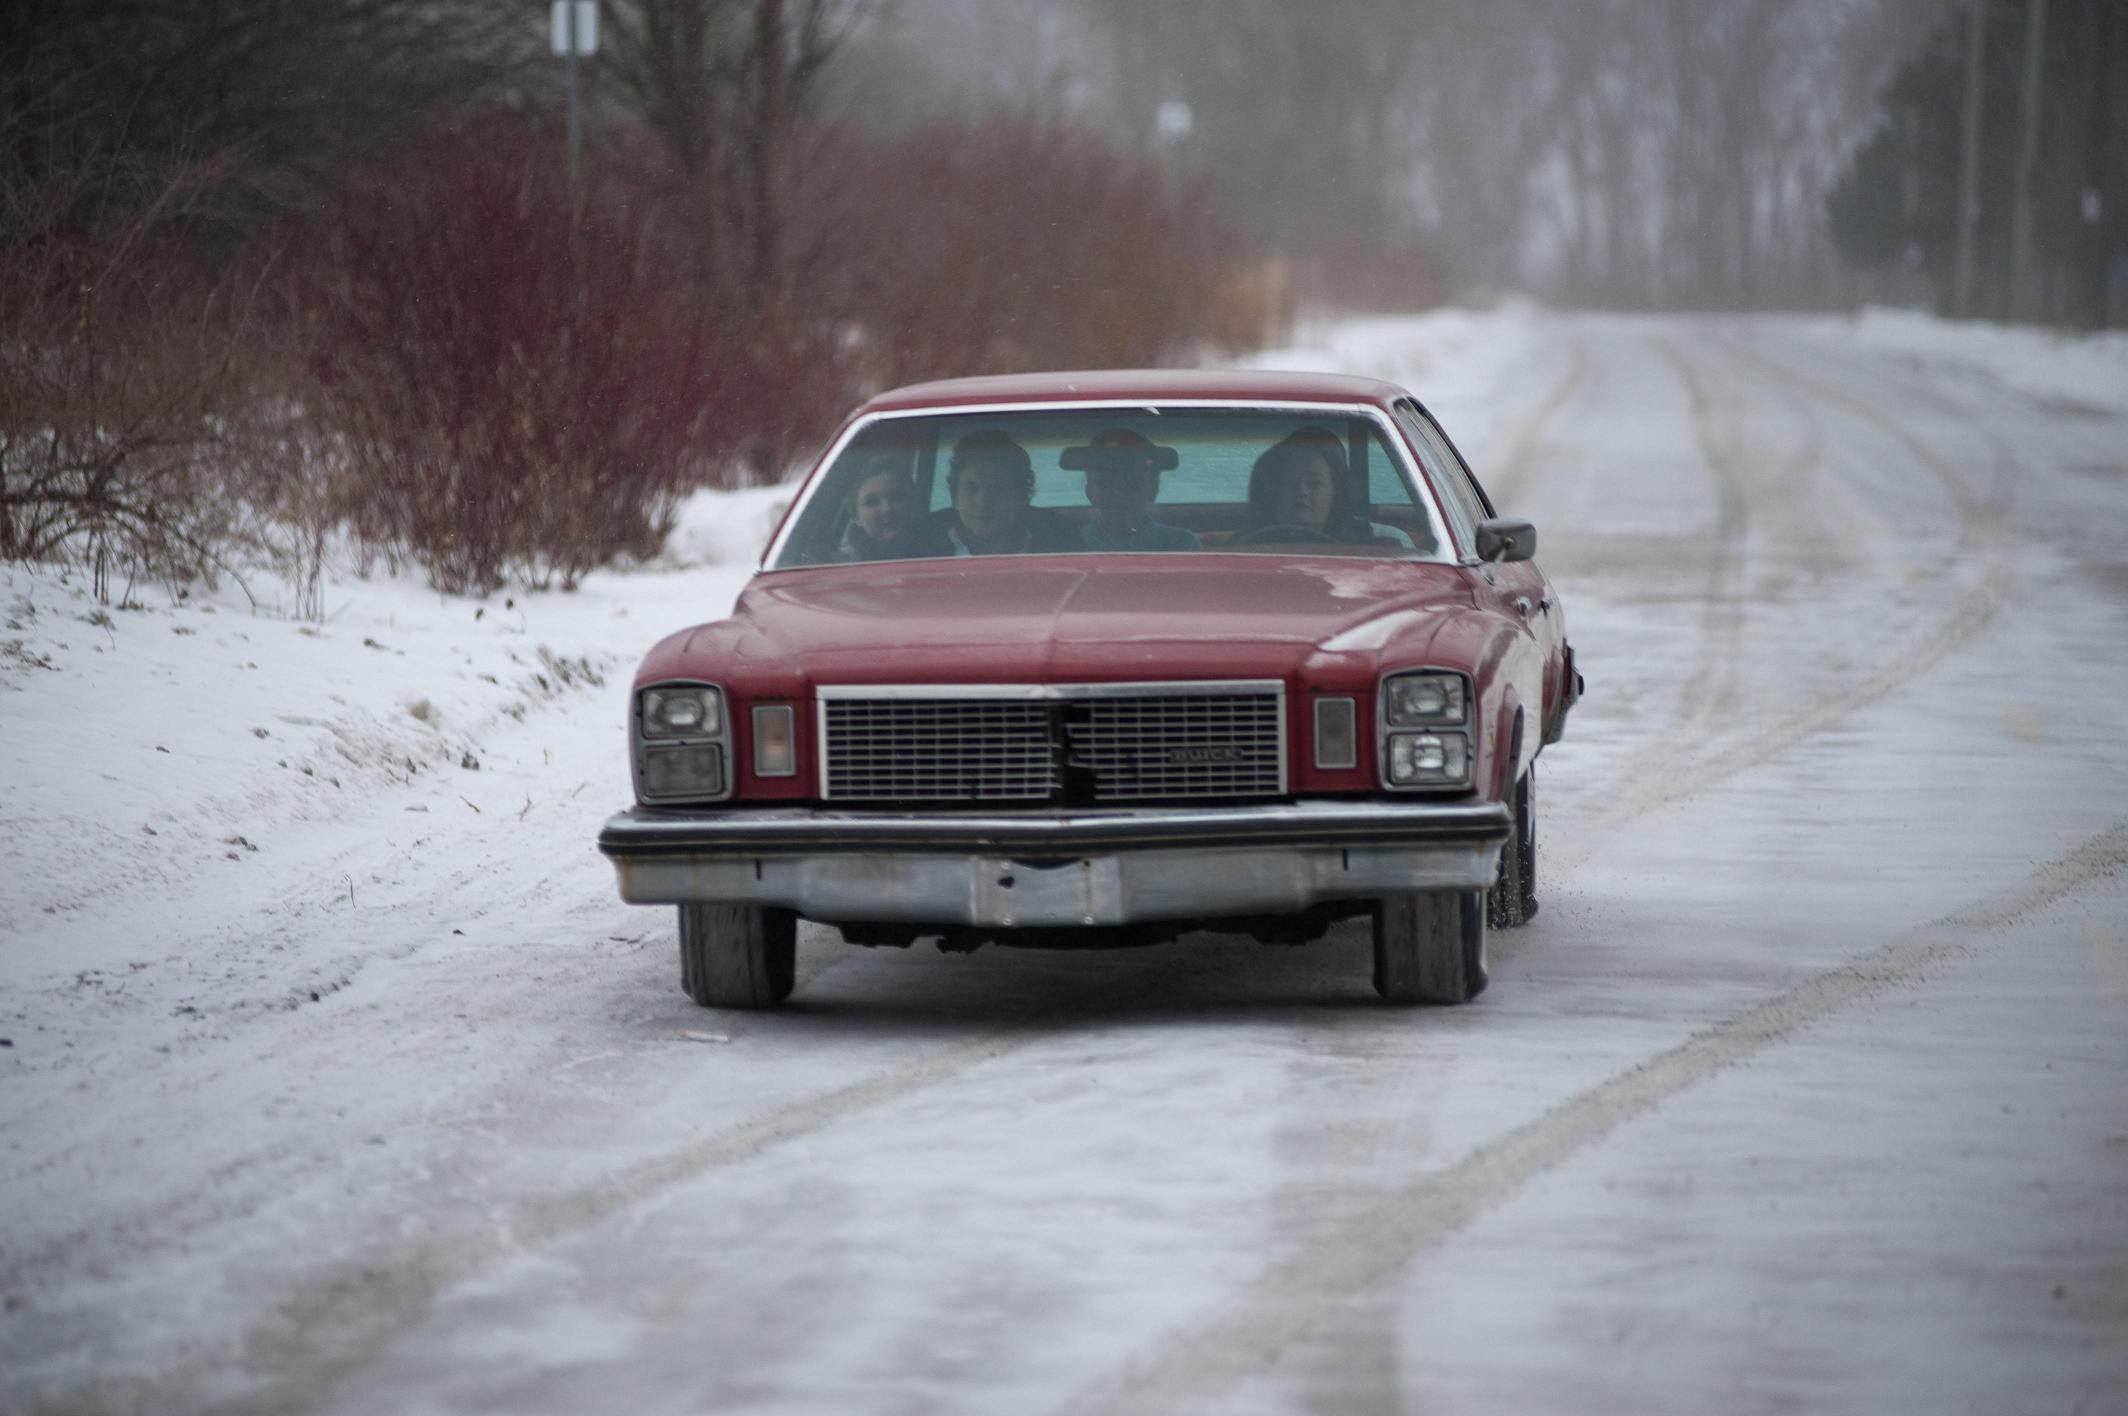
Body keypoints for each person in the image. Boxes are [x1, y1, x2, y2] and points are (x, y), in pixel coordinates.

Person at [1243, 427, 1416, 547]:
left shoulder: (1389, 544)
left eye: (1315, 483)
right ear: (1273, 491)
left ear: (1337, 492)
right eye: (1290, 482)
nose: (1302, 492)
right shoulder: (1240, 547)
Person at [942, 429, 1079, 556]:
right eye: (972, 488)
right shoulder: (924, 545)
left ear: (1020, 498)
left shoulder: (1062, 549)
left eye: (997, 489)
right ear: (955, 497)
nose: (983, 502)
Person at [1068, 428, 1200, 552]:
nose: (1118, 493)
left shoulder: (1179, 543)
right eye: (1105, 483)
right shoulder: (1069, 544)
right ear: (1089, 492)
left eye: (1132, 483)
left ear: (1153, 489)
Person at [833, 455, 934, 562]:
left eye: (897, 497)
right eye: (872, 502)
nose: (887, 509)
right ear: (855, 517)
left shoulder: (944, 548)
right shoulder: (843, 564)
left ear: (913, 502)